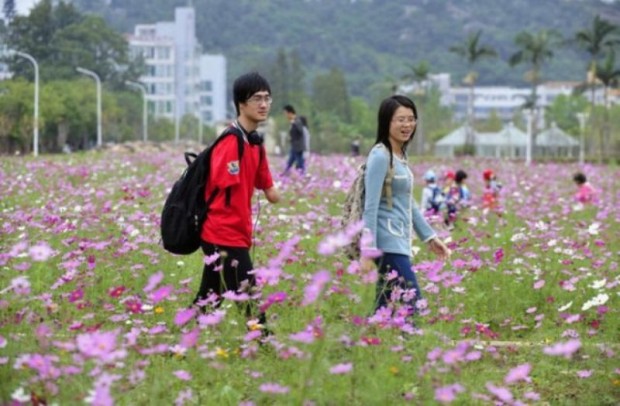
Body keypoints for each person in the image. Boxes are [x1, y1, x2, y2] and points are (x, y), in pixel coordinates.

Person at [193, 72, 280, 330]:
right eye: (256, 99)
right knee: (249, 298)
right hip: (222, 233)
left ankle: (180, 341)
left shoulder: (255, 143)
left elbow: (269, 189)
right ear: (241, 104)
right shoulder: (231, 141)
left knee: (209, 299)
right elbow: (220, 183)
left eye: (267, 98)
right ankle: (266, 346)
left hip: (237, 232)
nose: (263, 104)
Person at [360, 95, 451, 317]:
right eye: (400, 120)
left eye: (411, 119)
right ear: (387, 122)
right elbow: (370, 206)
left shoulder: (399, 155)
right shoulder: (380, 156)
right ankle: (411, 338)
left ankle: (366, 336)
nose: (407, 125)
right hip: (387, 243)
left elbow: (407, 202)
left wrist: (430, 237)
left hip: (400, 240)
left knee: (384, 308)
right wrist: (368, 250)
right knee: (414, 303)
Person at [282, 104, 305, 175]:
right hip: (294, 146)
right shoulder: (293, 121)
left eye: (286, 114)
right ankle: (285, 174)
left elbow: (301, 131)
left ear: (290, 113)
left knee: (300, 163)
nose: (285, 116)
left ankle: (302, 175)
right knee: (290, 162)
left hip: (298, 147)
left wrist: (294, 124)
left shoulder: (297, 121)